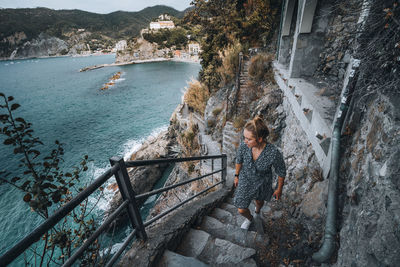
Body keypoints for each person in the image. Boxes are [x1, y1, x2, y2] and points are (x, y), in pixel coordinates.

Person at [233, 115, 286, 230]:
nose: (245, 141)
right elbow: (239, 160)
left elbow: (281, 170)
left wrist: (279, 189)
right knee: (241, 209)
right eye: (244, 137)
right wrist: (236, 175)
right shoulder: (243, 146)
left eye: (249, 139)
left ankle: (257, 213)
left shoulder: (273, 152)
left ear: (260, 139)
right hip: (245, 179)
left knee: (259, 201)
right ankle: (250, 218)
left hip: (262, 182)